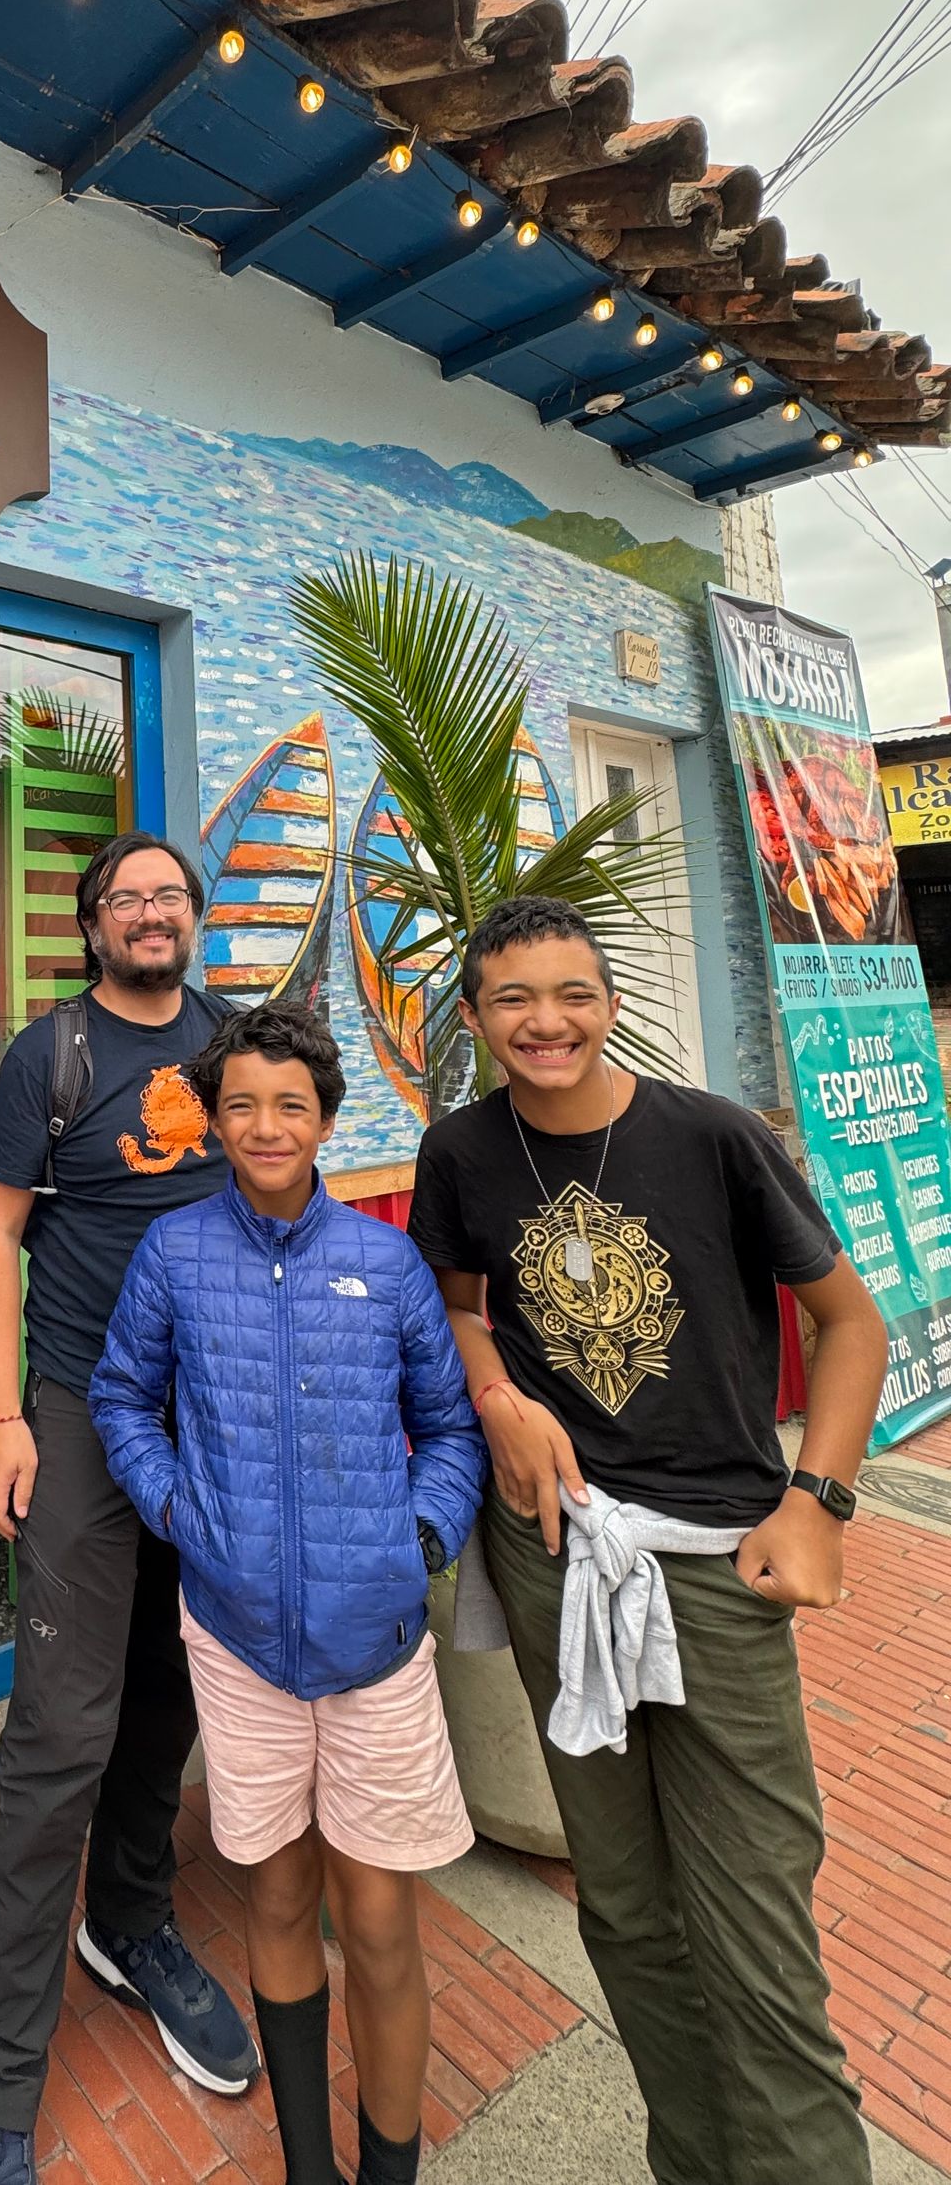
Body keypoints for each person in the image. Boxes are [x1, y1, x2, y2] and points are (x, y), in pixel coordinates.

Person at [407, 893, 888, 2185]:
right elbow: (460, 1308)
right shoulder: (460, 1152)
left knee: (758, 1936)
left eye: (572, 993)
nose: (545, 1021)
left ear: (609, 1003)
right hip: (555, 1552)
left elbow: (851, 1323)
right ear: (476, 1017)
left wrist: (819, 1499)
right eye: (513, 999)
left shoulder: (713, 1136)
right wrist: (497, 1399)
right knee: (622, 1907)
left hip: (721, 1561)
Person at [89, 1001, 485, 2185]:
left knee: (379, 1923)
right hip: (237, 1638)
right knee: (274, 1898)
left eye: (290, 1107)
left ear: (324, 1120)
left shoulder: (383, 1260)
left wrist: (419, 1535)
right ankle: (308, 2165)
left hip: (376, 1642)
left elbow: (447, 1426)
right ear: (213, 1122)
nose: (266, 1127)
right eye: (242, 1107)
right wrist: (177, 1511)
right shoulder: (173, 1255)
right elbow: (120, 1398)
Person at [0, 833, 256, 2185]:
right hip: (77, 1406)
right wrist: (2, 1415)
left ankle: (128, 1920)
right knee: (59, 1729)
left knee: (173, 1683)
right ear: (91, 925)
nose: (148, 913)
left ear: (194, 917)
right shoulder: (50, 1054)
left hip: (209, 1417)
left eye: (167, 896)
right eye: (124, 898)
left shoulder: (235, 1042)